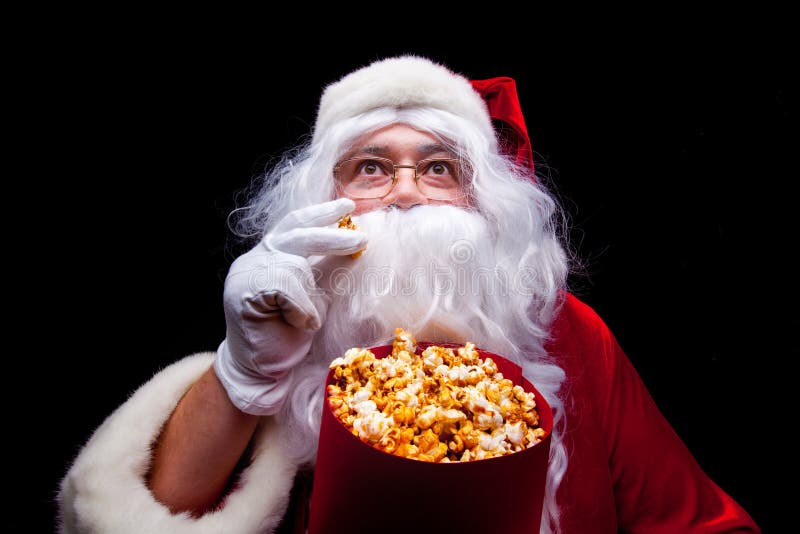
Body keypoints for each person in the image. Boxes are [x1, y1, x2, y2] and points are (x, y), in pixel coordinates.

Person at [58, 55, 760, 533]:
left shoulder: (572, 335)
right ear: (323, 198)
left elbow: (696, 522)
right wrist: (244, 369)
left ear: (485, 202)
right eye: (370, 168)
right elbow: (134, 520)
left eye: (437, 168)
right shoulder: (282, 320)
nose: (401, 192)